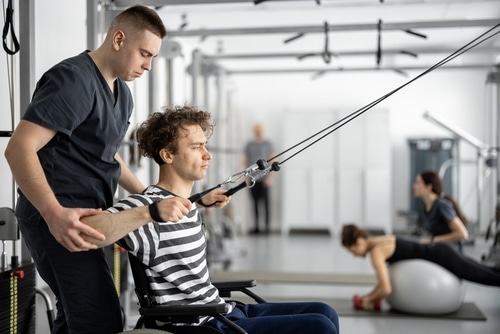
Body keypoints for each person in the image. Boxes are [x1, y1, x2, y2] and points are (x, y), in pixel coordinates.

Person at [4, 6, 213, 334]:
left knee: (74, 314)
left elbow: (107, 153)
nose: (148, 65)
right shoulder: (74, 80)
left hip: (89, 216)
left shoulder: (123, 96)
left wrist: (147, 195)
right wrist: (53, 213)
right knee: (99, 320)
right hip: (58, 219)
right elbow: (19, 148)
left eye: (153, 57)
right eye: (144, 53)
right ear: (118, 39)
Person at [81, 106, 340, 334]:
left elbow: (176, 208)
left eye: (205, 146)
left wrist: (198, 199)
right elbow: (87, 231)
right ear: (168, 155)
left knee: (325, 311)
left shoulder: (184, 203)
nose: (208, 155)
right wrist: (151, 212)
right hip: (199, 325)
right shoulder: (146, 206)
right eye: (196, 147)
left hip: (221, 311)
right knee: (320, 327)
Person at [341, 223, 500, 310]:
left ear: (359, 242)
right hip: (441, 250)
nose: (355, 255)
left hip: (442, 256)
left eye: (353, 250)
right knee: (486, 270)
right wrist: (367, 296)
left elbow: (386, 289)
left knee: (483, 276)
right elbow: (381, 285)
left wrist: (367, 302)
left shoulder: (376, 253)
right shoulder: (380, 240)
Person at [413, 170, 468, 252]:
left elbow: (462, 234)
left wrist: (432, 240)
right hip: (438, 249)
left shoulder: (442, 205)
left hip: (451, 252)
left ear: (428, 187)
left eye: (418, 183)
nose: (414, 186)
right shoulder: (425, 208)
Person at [244, 122, 275, 234]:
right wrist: (245, 177)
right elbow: (246, 160)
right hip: (253, 179)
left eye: (260, 130)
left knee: (266, 204)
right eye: (257, 130)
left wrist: (270, 177)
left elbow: (272, 159)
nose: (258, 132)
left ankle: (267, 228)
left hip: (264, 178)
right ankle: (257, 227)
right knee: (255, 204)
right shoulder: (249, 145)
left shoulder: (267, 144)